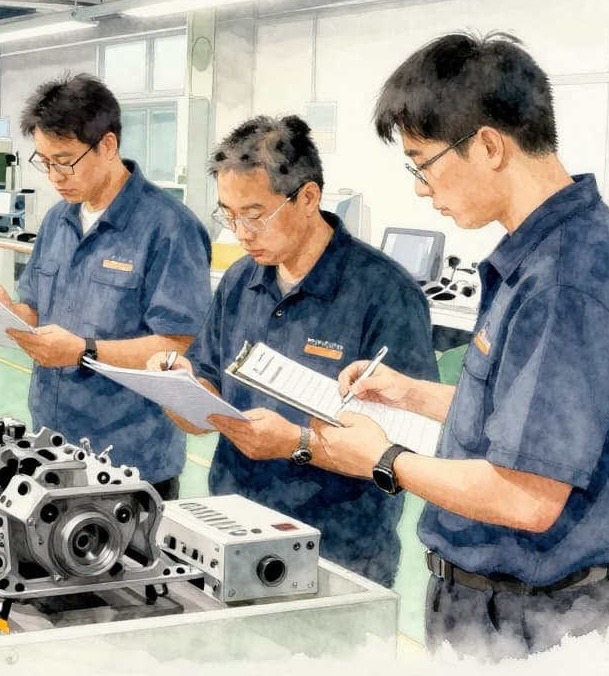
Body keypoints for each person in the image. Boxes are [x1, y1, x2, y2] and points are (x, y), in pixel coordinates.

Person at [314, 32, 609, 659]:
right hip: (498, 608)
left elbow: (524, 496)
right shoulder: (542, 258)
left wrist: (383, 458)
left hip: (536, 623)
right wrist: (412, 394)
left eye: (422, 162)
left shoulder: (566, 283)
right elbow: (528, 424)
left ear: (487, 145)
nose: (422, 187)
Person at [145, 115, 436, 586]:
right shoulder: (240, 281)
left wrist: (298, 445)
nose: (240, 232)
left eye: (255, 215)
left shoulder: (385, 294)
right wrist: (176, 387)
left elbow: (408, 447)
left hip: (337, 552)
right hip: (231, 531)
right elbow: (206, 389)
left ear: (308, 197)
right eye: (228, 214)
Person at [0, 74, 211, 499]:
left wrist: (84, 350)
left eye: (64, 160)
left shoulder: (169, 228)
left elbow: (178, 346)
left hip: (130, 460)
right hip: (51, 444)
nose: (54, 175)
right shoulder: (57, 220)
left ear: (107, 146)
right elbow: (34, 310)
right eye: (44, 161)